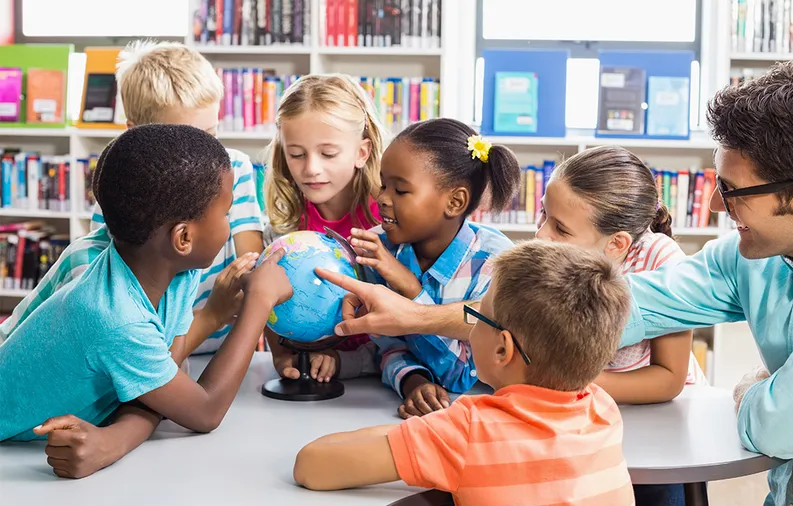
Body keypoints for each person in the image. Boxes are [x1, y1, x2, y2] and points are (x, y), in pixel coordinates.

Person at [316, 59, 793, 505]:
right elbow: (590, 309)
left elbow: (782, 420)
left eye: (734, 191)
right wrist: (417, 316)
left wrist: (750, 388)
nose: (719, 205)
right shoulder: (749, 255)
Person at [0, 125, 292, 481]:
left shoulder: (173, 272)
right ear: (183, 237)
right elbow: (204, 412)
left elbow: (169, 376)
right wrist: (258, 303)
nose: (231, 224)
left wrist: (114, 440)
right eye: (226, 212)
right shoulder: (115, 318)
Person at [295, 241, 635, 506]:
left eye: (477, 316)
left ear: (503, 350)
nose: (469, 324)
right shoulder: (602, 409)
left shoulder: (468, 432)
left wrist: (426, 432)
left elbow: (312, 465)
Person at [0, 40, 266, 357]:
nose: (206, 155)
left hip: (219, 347)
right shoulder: (124, 186)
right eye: (186, 142)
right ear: (134, 135)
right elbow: (113, 300)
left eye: (211, 134)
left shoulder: (233, 167)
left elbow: (252, 264)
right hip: (149, 349)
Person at [305, 118, 521, 416]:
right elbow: (389, 345)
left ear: (455, 202)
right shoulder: (379, 249)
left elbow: (464, 374)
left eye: (401, 191)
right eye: (383, 184)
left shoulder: (493, 263)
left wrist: (410, 287)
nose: (381, 199)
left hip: (479, 418)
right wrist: (413, 381)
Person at [536, 145, 706, 405]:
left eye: (560, 228)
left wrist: (570, 383)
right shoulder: (549, 255)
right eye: (543, 213)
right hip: (582, 400)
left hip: (661, 410)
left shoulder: (661, 262)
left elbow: (669, 379)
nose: (541, 234)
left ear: (616, 244)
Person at [262, 73, 385, 374]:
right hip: (308, 370)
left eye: (328, 154)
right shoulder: (286, 224)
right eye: (296, 154)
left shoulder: (386, 221)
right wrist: (280, 358)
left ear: (361, 152)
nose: (311, 169)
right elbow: (269, 308)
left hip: (381, 371)